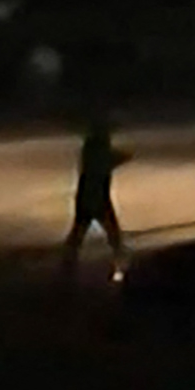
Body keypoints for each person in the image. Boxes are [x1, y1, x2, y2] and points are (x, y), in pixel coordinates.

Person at [62, 113, 131, 279]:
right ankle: (120, 266)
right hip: (97, 196)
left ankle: (67, 266)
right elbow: (110, 160)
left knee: (78, 233)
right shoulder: (98, 149)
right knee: (112, 234)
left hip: (86, 195)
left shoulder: (91, 147)